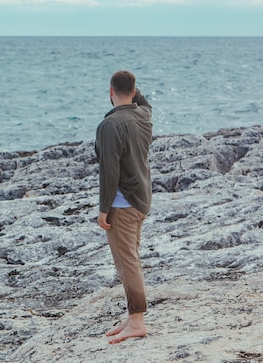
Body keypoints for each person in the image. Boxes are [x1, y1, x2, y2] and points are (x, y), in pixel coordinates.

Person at [95, 70, 152, 344]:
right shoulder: (142, 116)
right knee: (131, 258)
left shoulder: (111, 125)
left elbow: (109, 170)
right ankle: (132, 317)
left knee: (127, 262)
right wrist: (134, 89)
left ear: (110, 91)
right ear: (133, 91)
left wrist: (104, 207)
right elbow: (144, 102)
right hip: (141, 199)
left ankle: (137, 320)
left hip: (122, 204)